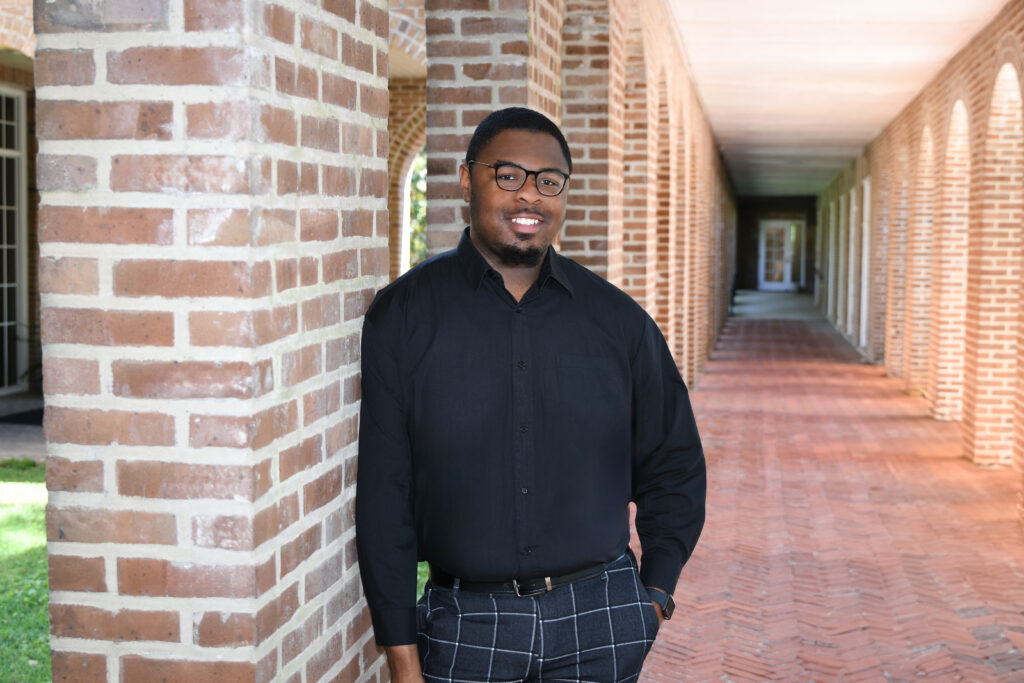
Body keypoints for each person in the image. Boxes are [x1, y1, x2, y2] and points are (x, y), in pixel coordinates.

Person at [356, 107, 706, 682]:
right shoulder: (405, 317)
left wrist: (654, 596)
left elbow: (675, 462)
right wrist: (402, 655)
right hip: (465, 624)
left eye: (549, 181)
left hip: (602, 619)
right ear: (467, 180)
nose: (531, 197)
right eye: (509, 175)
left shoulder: (618, 322)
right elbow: (384, 494)